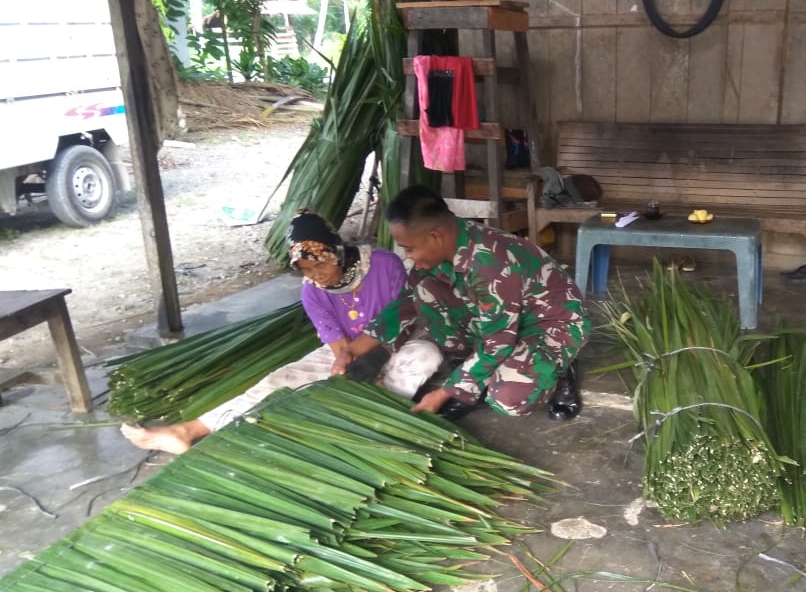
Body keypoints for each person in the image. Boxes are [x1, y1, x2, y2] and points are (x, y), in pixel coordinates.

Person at [121, 212, 442, 454]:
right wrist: (344, 364)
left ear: (337, 251)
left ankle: (377, 416)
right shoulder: (312, 292)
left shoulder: (384, 265)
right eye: (307, 271)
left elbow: (401, 317)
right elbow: (338, 345)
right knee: (281, 380)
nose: (319, 277)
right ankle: (188, 431)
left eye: (322, 265)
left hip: (399, 343)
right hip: (352, 351)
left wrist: (372, 360)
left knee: (426, 356)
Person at [335, 184, 590, 422]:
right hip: (507, 319)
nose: (408, 256)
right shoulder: (446, 246)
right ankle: (470, 379)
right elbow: (405, 304)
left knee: (508, 399)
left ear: (435, 237)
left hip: (552, 323)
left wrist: (444, 393)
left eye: (409, 249)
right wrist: (353, 351)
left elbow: (498, 342)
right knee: (425, 292)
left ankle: (559, 368)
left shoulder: (489, 263)